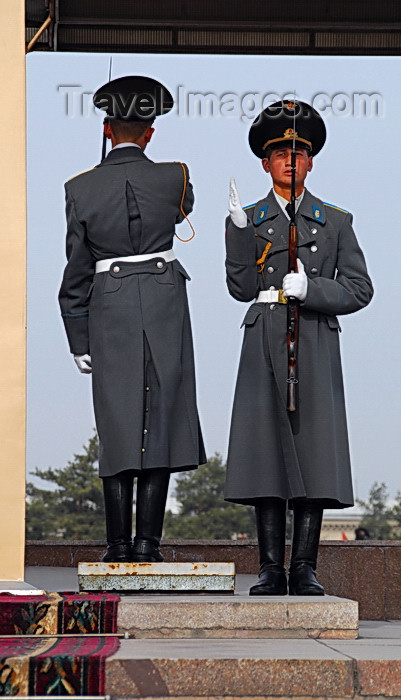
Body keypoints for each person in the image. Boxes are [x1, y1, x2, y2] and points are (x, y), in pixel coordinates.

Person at [224, 99, 373, 595]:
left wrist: (316, 291)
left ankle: (304, 566)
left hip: (313, 337)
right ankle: (270, 567)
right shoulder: (249, 219)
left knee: (314, 451)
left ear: (311, 161)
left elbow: (359, 288)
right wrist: (236, 235)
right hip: (265, 334)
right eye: (280, 153)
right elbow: (240, 288)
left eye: (299, 152)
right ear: (265, 163)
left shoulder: (335, 221)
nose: (290, 161)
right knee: (265, 449)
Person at [59, 75, 206, 563]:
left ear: (106, 128)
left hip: (110, 302)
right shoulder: (175, 175)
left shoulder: (79, 188)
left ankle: (117, 544)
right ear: (149, 132)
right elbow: (184, 208)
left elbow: (76, 269)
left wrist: (78, 338)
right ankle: (149, 544)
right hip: (164, 298)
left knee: (118, 422)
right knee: (161, 419)